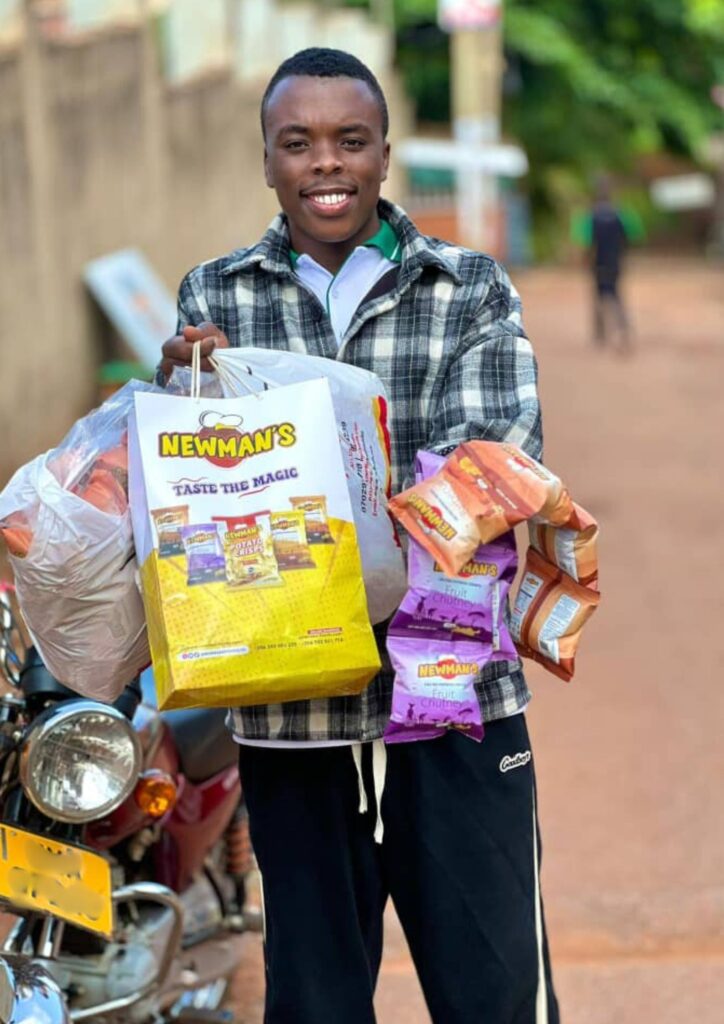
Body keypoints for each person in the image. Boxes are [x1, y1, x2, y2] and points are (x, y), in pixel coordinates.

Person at [159, 47, 559, 1024]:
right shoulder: (216, 299)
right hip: (293, 711)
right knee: (314, 999)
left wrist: (294, 505)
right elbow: (195, 510)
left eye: (349, 141)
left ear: (384, 155)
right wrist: (187, 397)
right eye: (297, 144)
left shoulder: (467, 286)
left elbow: (494, 464)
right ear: (267, 162)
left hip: (453, 697)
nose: (325, 163)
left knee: (494, 991)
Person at [587, 176, 631, 351]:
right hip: (615, 262)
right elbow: (628, 239)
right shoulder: (619, 215)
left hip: (598, 262)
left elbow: (588, 241)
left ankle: (600, 333)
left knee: (598, 297)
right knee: (616, 295)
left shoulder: (593, 216)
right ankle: (623, 328)